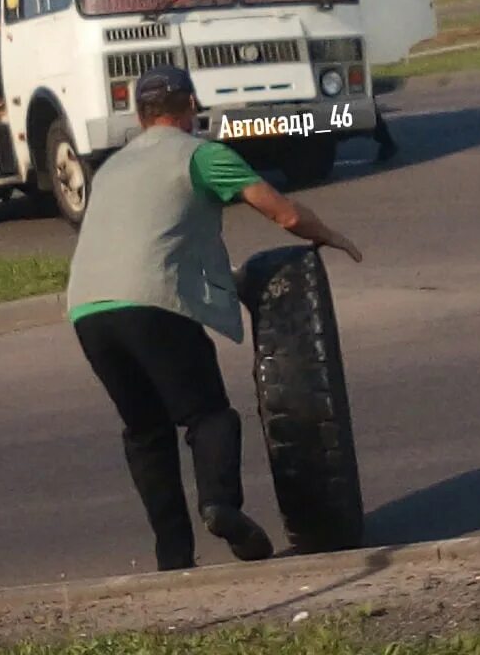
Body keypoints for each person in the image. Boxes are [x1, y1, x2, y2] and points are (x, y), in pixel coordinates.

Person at [66, 64, 363, 572]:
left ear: (139, 116)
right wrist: (331, 235)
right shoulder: (202, 155)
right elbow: (284, 213)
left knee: (145, 432)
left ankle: (173, 557)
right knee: (208, 416)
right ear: (190, 109)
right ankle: (220, 505)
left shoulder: (111, 167)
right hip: (152, 302)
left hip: (87, 310)